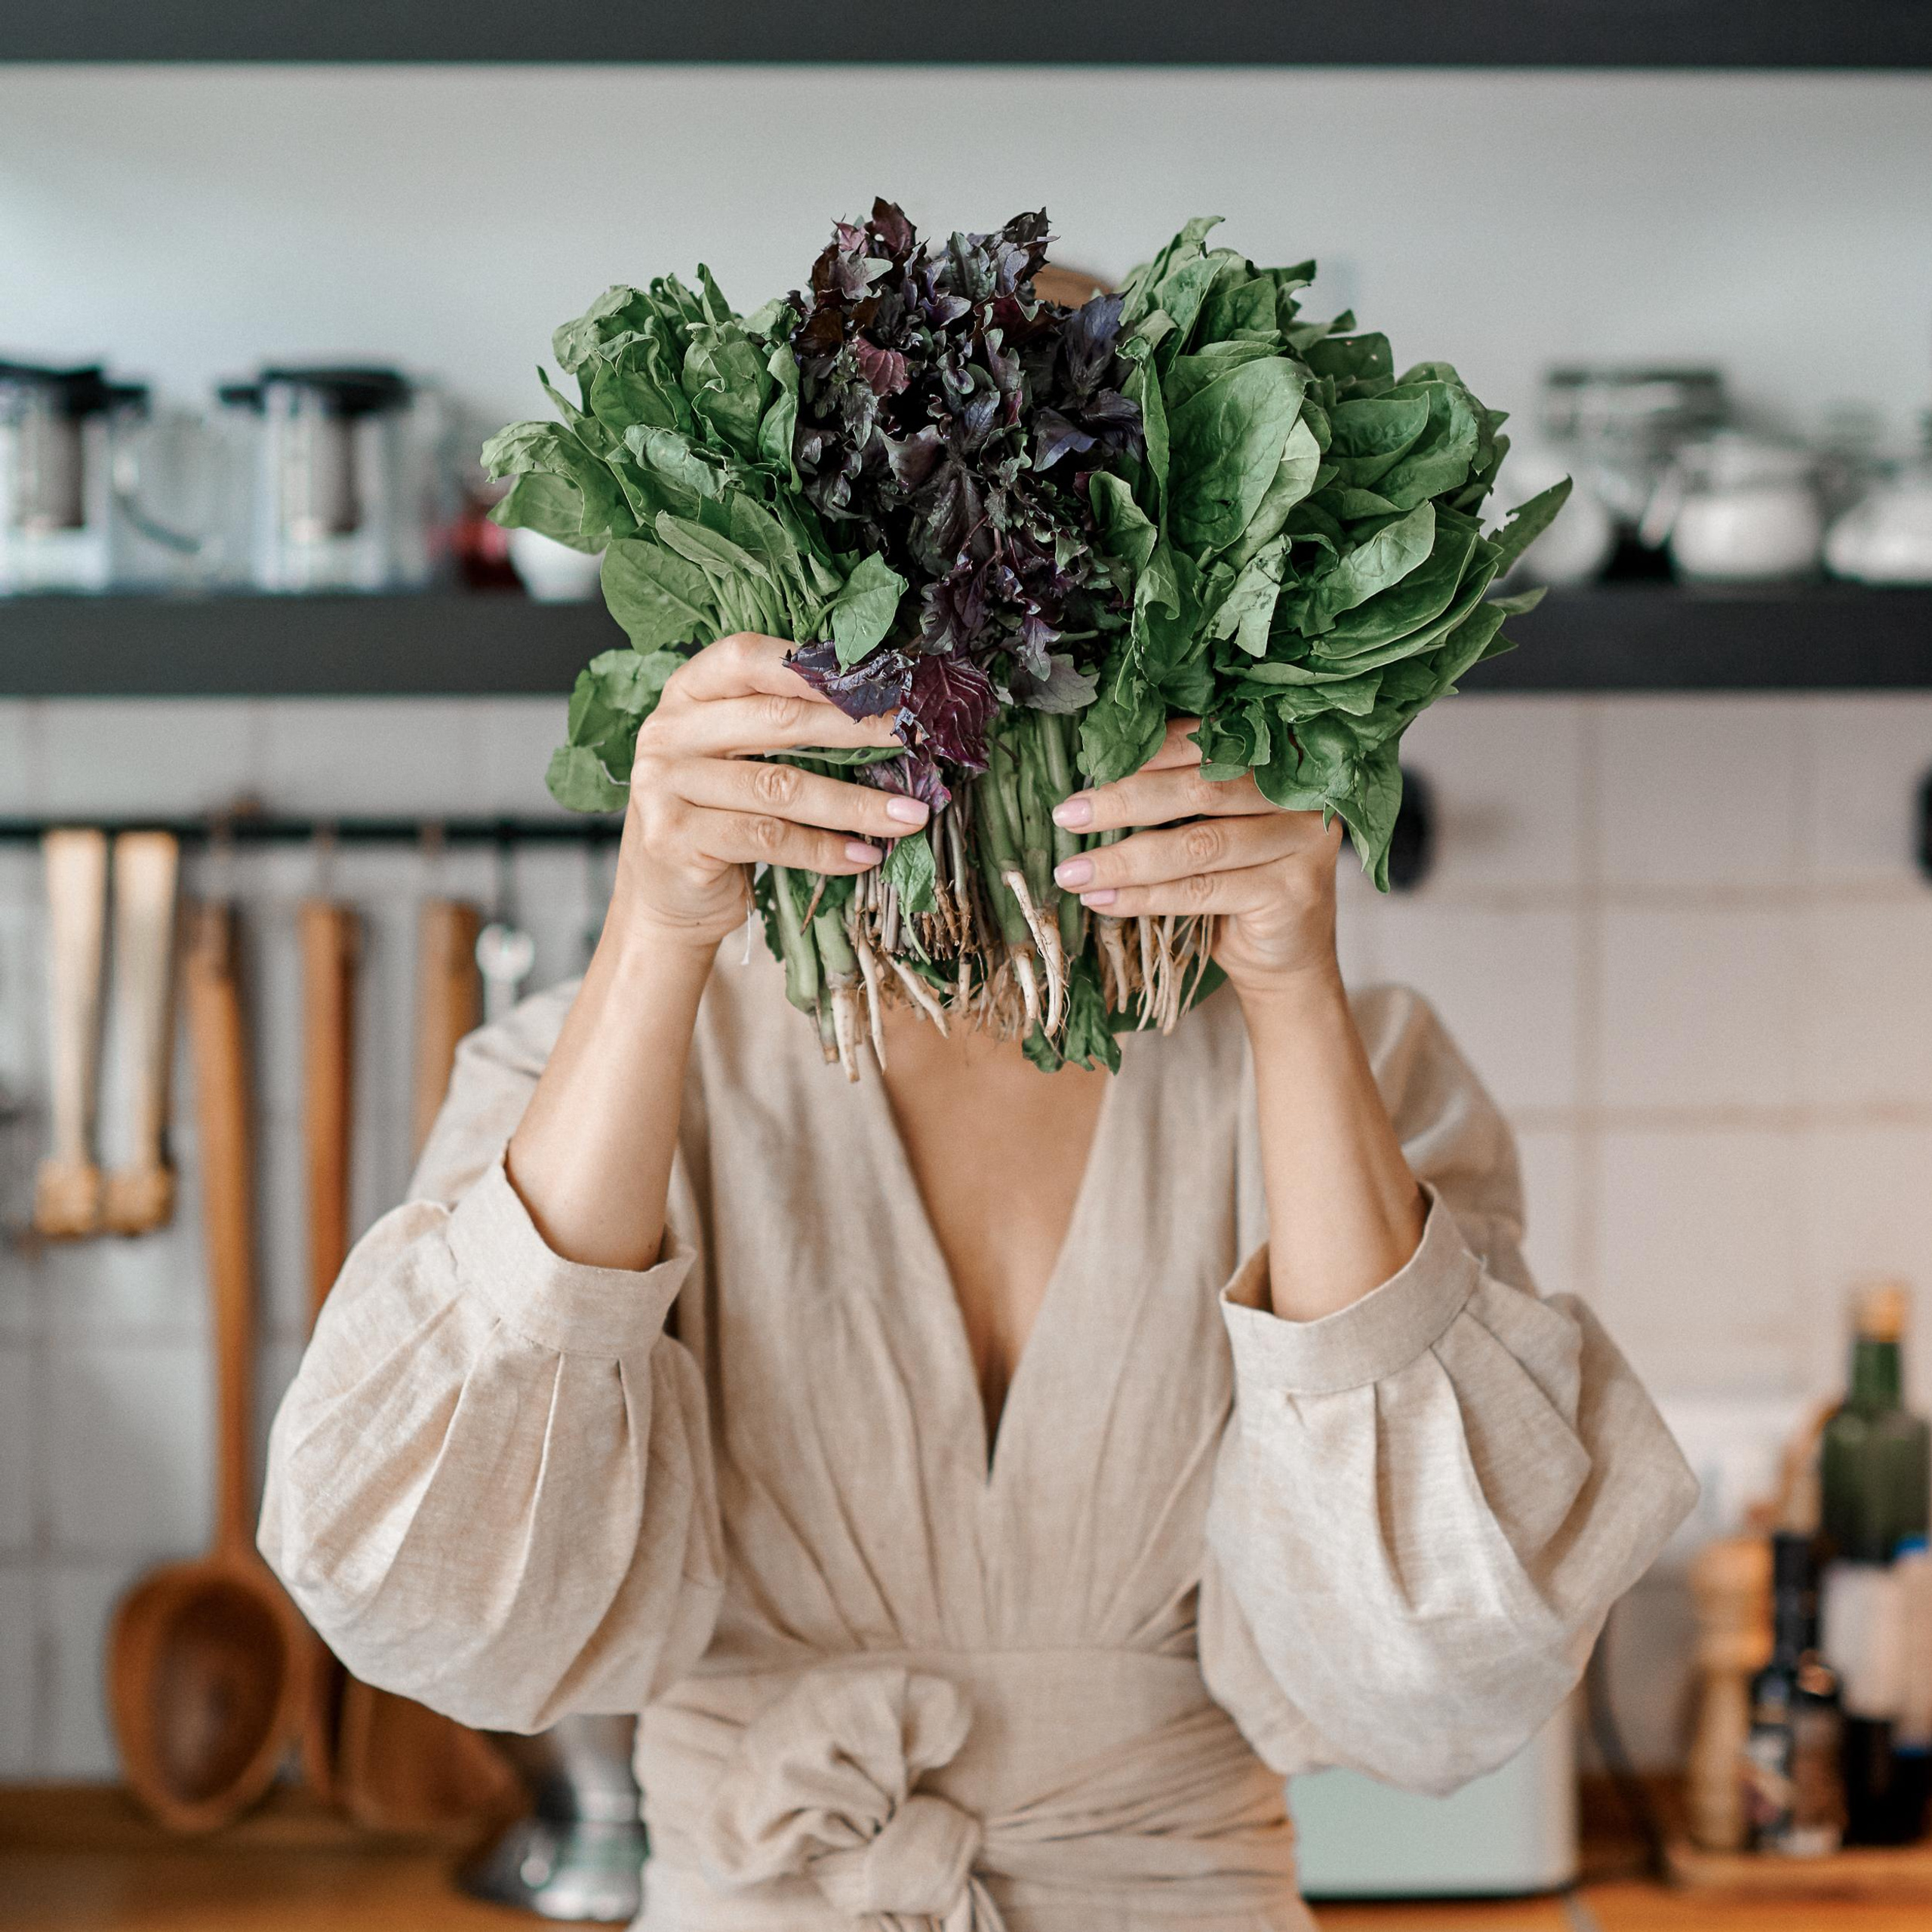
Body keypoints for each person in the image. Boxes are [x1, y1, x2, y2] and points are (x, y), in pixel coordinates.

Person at [260, 632, 1696, 1931]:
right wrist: (654, 930)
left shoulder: (1357, 1073)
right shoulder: (611, 1080)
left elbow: (1440, 1673)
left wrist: (1292, 984)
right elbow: (429, 1605)